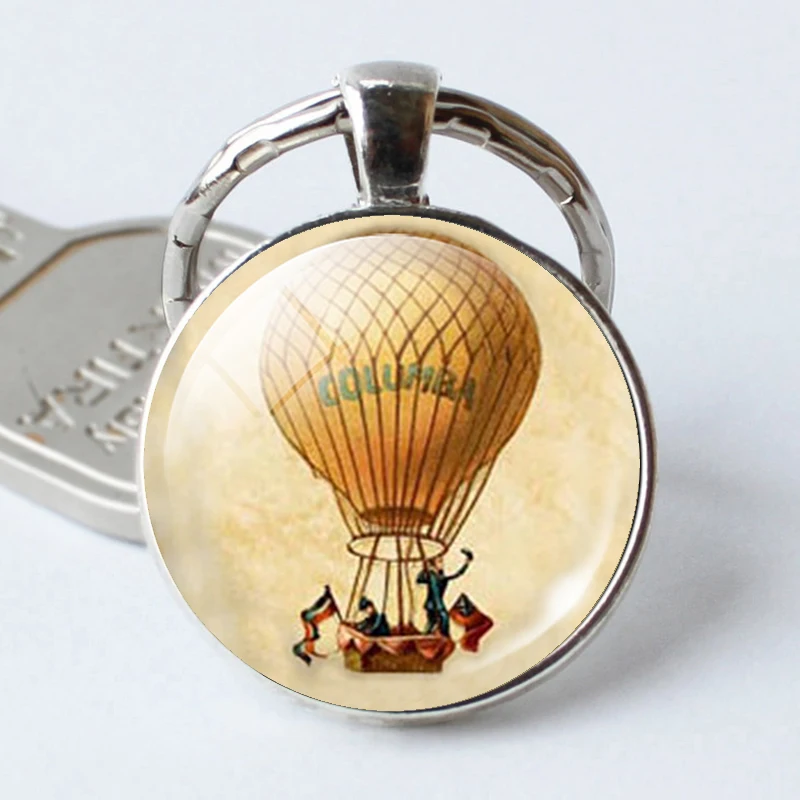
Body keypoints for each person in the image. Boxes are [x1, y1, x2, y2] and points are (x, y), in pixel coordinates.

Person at [416, 548, 474, 638]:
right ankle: (444, 638)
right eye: (439, 562)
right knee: (443, 619)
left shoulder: (441, 576)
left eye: (442, 561)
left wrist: (466, 563)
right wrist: (425, 569)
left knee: (432, 623)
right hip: (434, 605)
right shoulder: (431, 576)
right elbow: (419, 580)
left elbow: (457, 574)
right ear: (433, 564)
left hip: (435, 604)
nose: (442, 564)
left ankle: (429, 637)